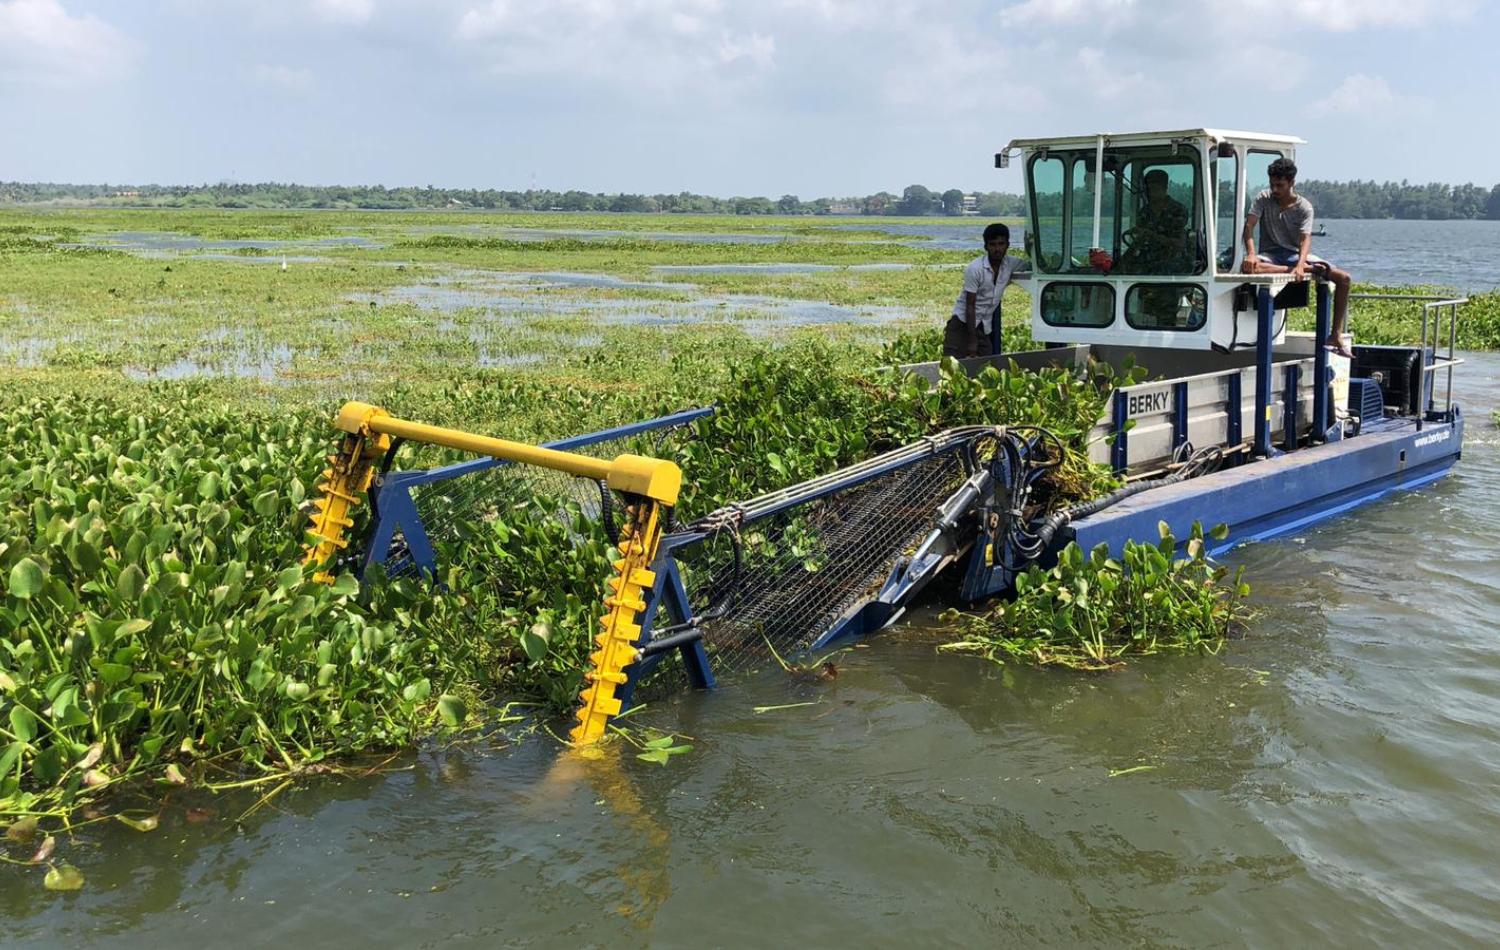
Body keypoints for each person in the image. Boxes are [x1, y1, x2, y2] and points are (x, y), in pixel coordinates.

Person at [1241, 157, 1354, 357]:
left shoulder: (1304, 207)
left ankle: (1335, 334)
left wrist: (1301, 265)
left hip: (1294, 254)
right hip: (1270, 255)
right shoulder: (1263, 198)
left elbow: (1305, 239)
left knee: (1344, 278)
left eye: (1280, 185)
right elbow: (1249, 225)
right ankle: (1307, 269)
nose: (1275, 189)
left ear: (1291, 183)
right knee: (1250, 266)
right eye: (1272, 184)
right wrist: (1251, 254)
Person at [946, 222, 1023, 359]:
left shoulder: (1011, 264)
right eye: (993, 245)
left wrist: (1030, 246)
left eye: (1001, 244)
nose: (997, 249)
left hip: (983, 326)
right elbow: (970, 306)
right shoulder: (975, 269)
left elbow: (1033, 265)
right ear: (985, 246)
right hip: (962, 324)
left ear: (1007, 245)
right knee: (953, 369)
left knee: (985, 366)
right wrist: (972, 341)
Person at [1120, 168, 1191, 275]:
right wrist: (1123, 261)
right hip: (1147, 262)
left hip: (1173, 265)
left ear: (1165, 187)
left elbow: (1179, 244)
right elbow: (1139, 242)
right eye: (1148, 189)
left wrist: (1150, 235)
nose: (1150, 193)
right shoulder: (1145, 212)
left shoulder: (1178, 210)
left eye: (1155, 188)